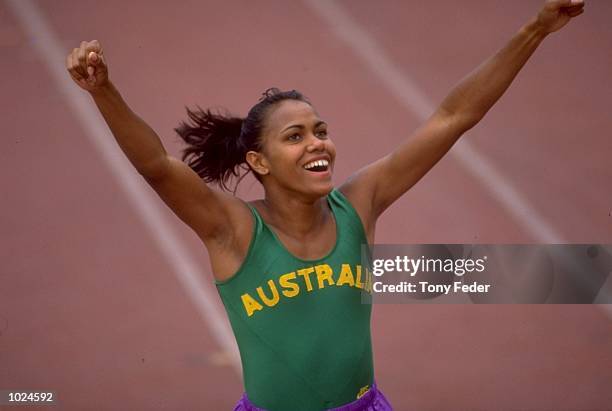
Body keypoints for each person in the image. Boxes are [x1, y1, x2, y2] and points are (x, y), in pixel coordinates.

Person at [65, 1, 585, 409]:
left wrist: (535, 29)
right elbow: (156, 164)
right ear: (260, 162)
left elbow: (452, 117)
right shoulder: (233, 231)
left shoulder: (358, 203)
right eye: (295, 136)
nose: (318, 143)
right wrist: (103, 89)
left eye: (321, 131)